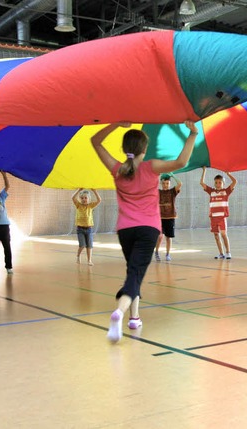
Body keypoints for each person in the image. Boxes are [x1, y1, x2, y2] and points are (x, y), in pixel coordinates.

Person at [91, 121, 198, 343]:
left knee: (134, 272)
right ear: (144, 149)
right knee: (135, 274)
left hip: (125, 230)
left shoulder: (118, 169)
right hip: (148, 229)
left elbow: (95, 141)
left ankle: (134, 317)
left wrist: (114, 124)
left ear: (124, 148)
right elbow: (182, 161)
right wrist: (193, 134)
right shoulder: (151, 167)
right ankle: (119, 312)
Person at [200, 167, 237, 259]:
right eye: (216, 182)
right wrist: (204, 171)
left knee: (224, 234)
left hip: (222, 217)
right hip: (213, 217)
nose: (218, 184)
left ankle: (228, 252)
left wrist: (228, 174)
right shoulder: (211, 191)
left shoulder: (226, 192)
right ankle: (221, 253)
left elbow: (235, 182)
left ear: (223, 183)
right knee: (216, 236)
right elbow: (201, 183)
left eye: (220, 182)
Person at [155, 174, 182, 262]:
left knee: (168, 237)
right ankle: (157, 252)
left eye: (167, 183)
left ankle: (167, 254)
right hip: (160, 218)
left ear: (169, 184)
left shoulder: (172, 192)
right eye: (164, 184)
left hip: (170, 218)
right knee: (159, 236)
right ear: (161, 184)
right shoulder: (158, 192)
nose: (165, 185)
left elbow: (180, 184)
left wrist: (173, 175)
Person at [72, 188, 101, 265]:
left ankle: (89, 260)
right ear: (80, 199)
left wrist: (95, 191)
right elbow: (73, 198)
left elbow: (99, 200)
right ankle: (78, 256)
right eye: (82, 198)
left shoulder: (90, 205)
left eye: (85, 198)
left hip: (89, 229)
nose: (84, 199)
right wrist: (78, 190)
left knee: (89, 246)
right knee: (82, 245)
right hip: (80, 229)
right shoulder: (78, 205)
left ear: (88, 199)